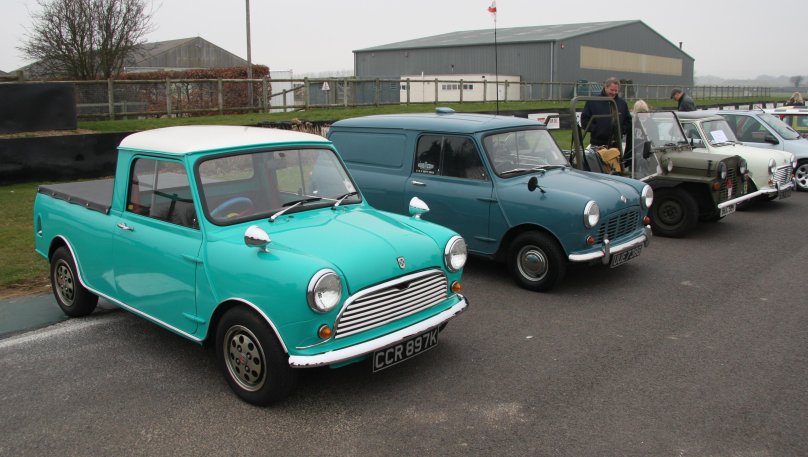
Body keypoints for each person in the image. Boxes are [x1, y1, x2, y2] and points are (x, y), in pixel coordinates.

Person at [580, 76, 631, 148]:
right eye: (611, 90)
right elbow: (584, 121)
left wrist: (621, 130)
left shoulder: (622, 104)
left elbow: (628, 121)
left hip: (616, 145)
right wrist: (597, 129)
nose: (613, 93)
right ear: (605, 87)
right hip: (597, 144)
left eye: (616, 91)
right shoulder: (593, 101)